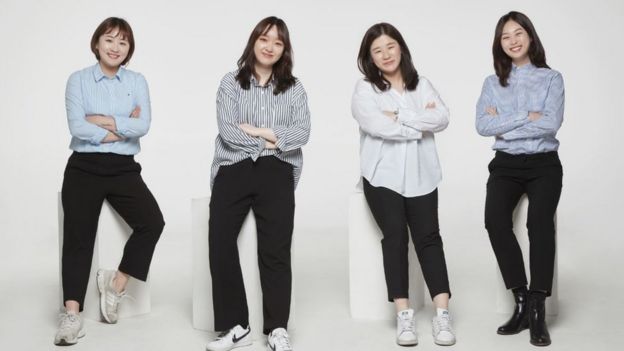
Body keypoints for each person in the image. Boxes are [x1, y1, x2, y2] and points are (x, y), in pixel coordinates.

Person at [55, 17, 165, 346]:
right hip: (83, 167)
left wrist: (100, 121)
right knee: (78, 237)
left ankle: (115, 285)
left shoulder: (137, 81)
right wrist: (120, 126)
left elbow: (143, 125)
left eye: (123, 42)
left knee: (152, 222)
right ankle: (71, 314)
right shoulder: (78, 80)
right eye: (110, 40)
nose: (116, 47)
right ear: (97, 43)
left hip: (123, 168)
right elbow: (78, 127)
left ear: (129, 49)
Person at [205, 16, 311, 351]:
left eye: (278, 42)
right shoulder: (230, 83)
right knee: (220, 240)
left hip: (277, 168)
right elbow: (229, 129)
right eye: (264, 39)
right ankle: (235, 326)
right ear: (253, 42)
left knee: (276, 249)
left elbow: (303, 132)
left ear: (284, 50)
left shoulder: (294, 88)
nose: (270, 47)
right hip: (234, 165)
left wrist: (264, 136)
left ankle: (277, 328)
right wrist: (270, 140)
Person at [352, 22, 455, 347]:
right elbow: (375, 124)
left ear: (401, 48)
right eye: (377, 50)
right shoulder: (364, 89)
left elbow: (443, 118)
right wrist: (416, 121)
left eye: (390, 46)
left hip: (423, 176)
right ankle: (404, 316)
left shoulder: (421, 84)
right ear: (369, 57)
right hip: (382, 177)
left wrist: (398, 115)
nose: (385, 55)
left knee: (429, 239)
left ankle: (442, 317)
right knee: (395, 237)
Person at [476, 11, 564, 347]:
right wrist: (527, 115)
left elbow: (551, 124)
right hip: (506, 164)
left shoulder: (552, 78)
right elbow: (482, 126)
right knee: (495, 221)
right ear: (499, 44)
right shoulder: (492, 82)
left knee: (539, 223)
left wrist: (505, 121)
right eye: (505, 37)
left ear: (530, 36)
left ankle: (539, 306)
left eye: (518, 33)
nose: (512, 41)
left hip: (544, 163)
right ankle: (522, 300)